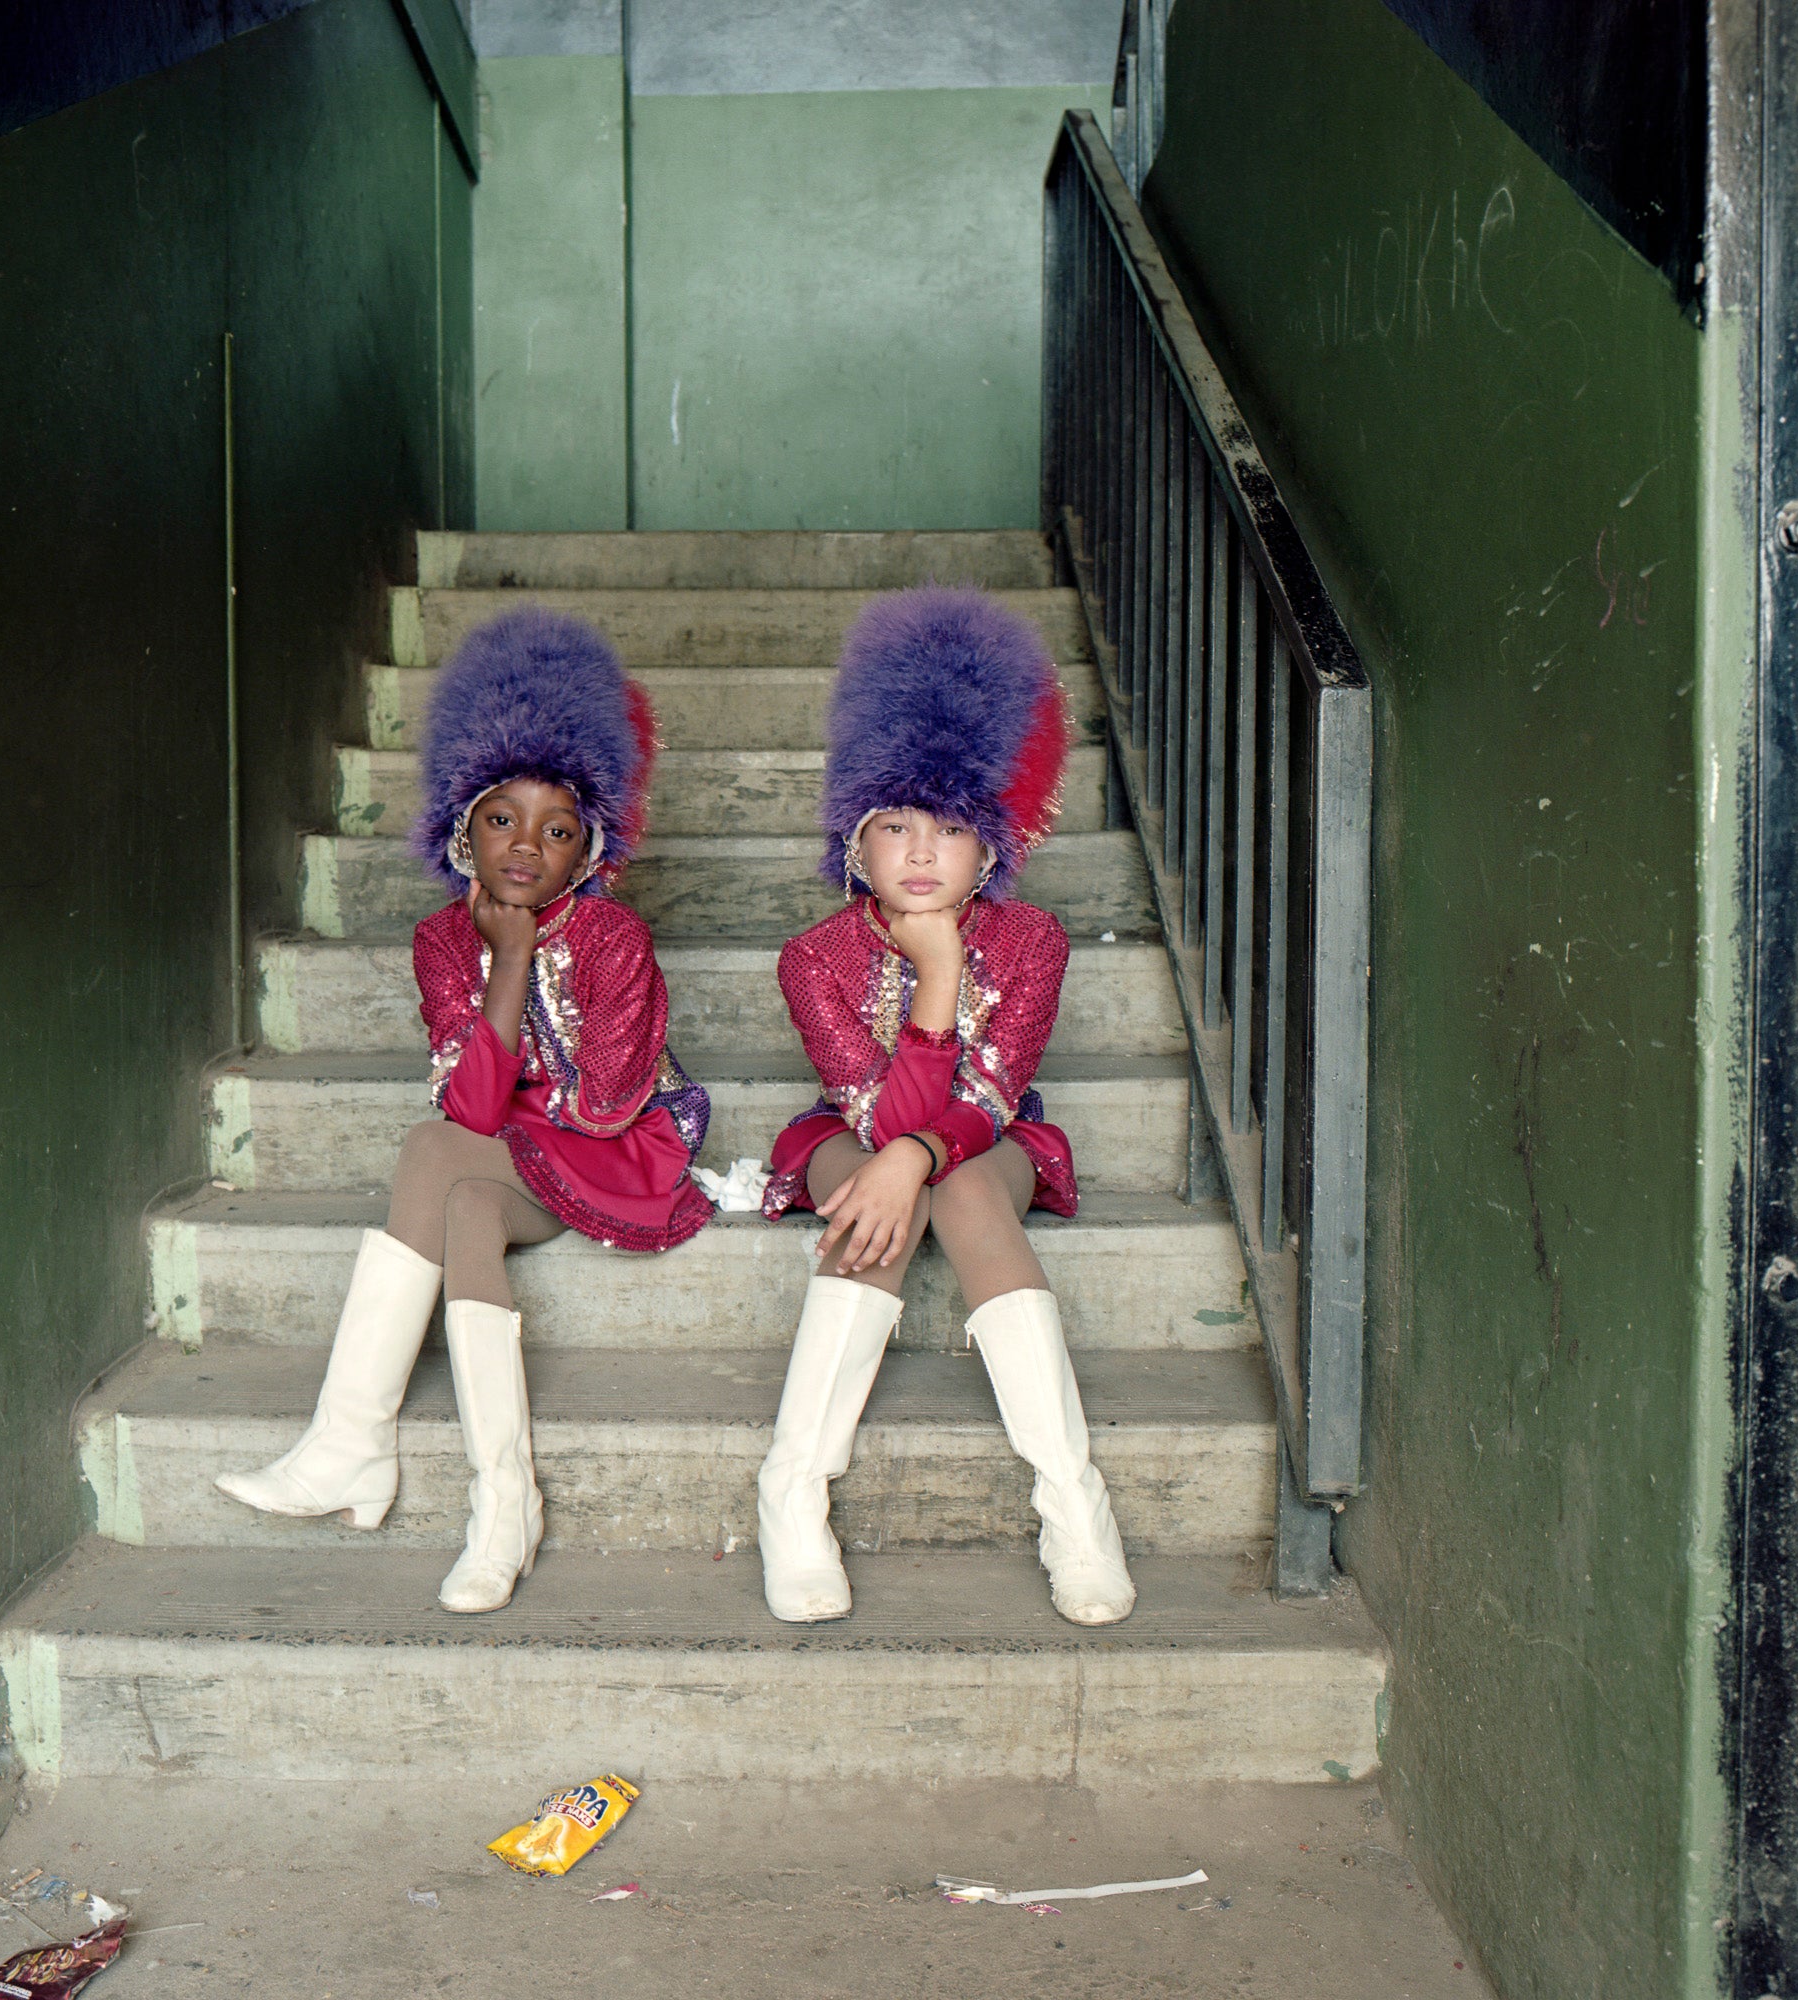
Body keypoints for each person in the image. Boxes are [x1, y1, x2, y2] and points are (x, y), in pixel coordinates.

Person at [215, 606, 712, 1613]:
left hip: (619, 1154)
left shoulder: (615, 937)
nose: (525, 846)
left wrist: (525, 952)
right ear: (461, 826)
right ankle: (503, 1499)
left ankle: (352, 1440)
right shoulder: (445, 938)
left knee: (436, 1151)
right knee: (463, 1197)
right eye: (502, 818)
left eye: (557, 828)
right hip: (509, 1162)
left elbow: (608, 1103)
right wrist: (504, 958)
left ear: (590, 850)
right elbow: (478, 1105)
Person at [755, 587, 1135, 1629]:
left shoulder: (1033, 941)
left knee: (962, 1189)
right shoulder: (815, 958)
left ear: (992, 846)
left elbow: (985, 1097)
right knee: (880, 1201)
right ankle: (793, 1490)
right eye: (894, 825)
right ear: (855, 842)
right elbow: (875, 1119)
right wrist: (934, 977)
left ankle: (1072, 1504)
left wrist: (917, 1144)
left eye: (953, 826)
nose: (922, 853)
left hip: (988, 1139)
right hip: (850, 1134)